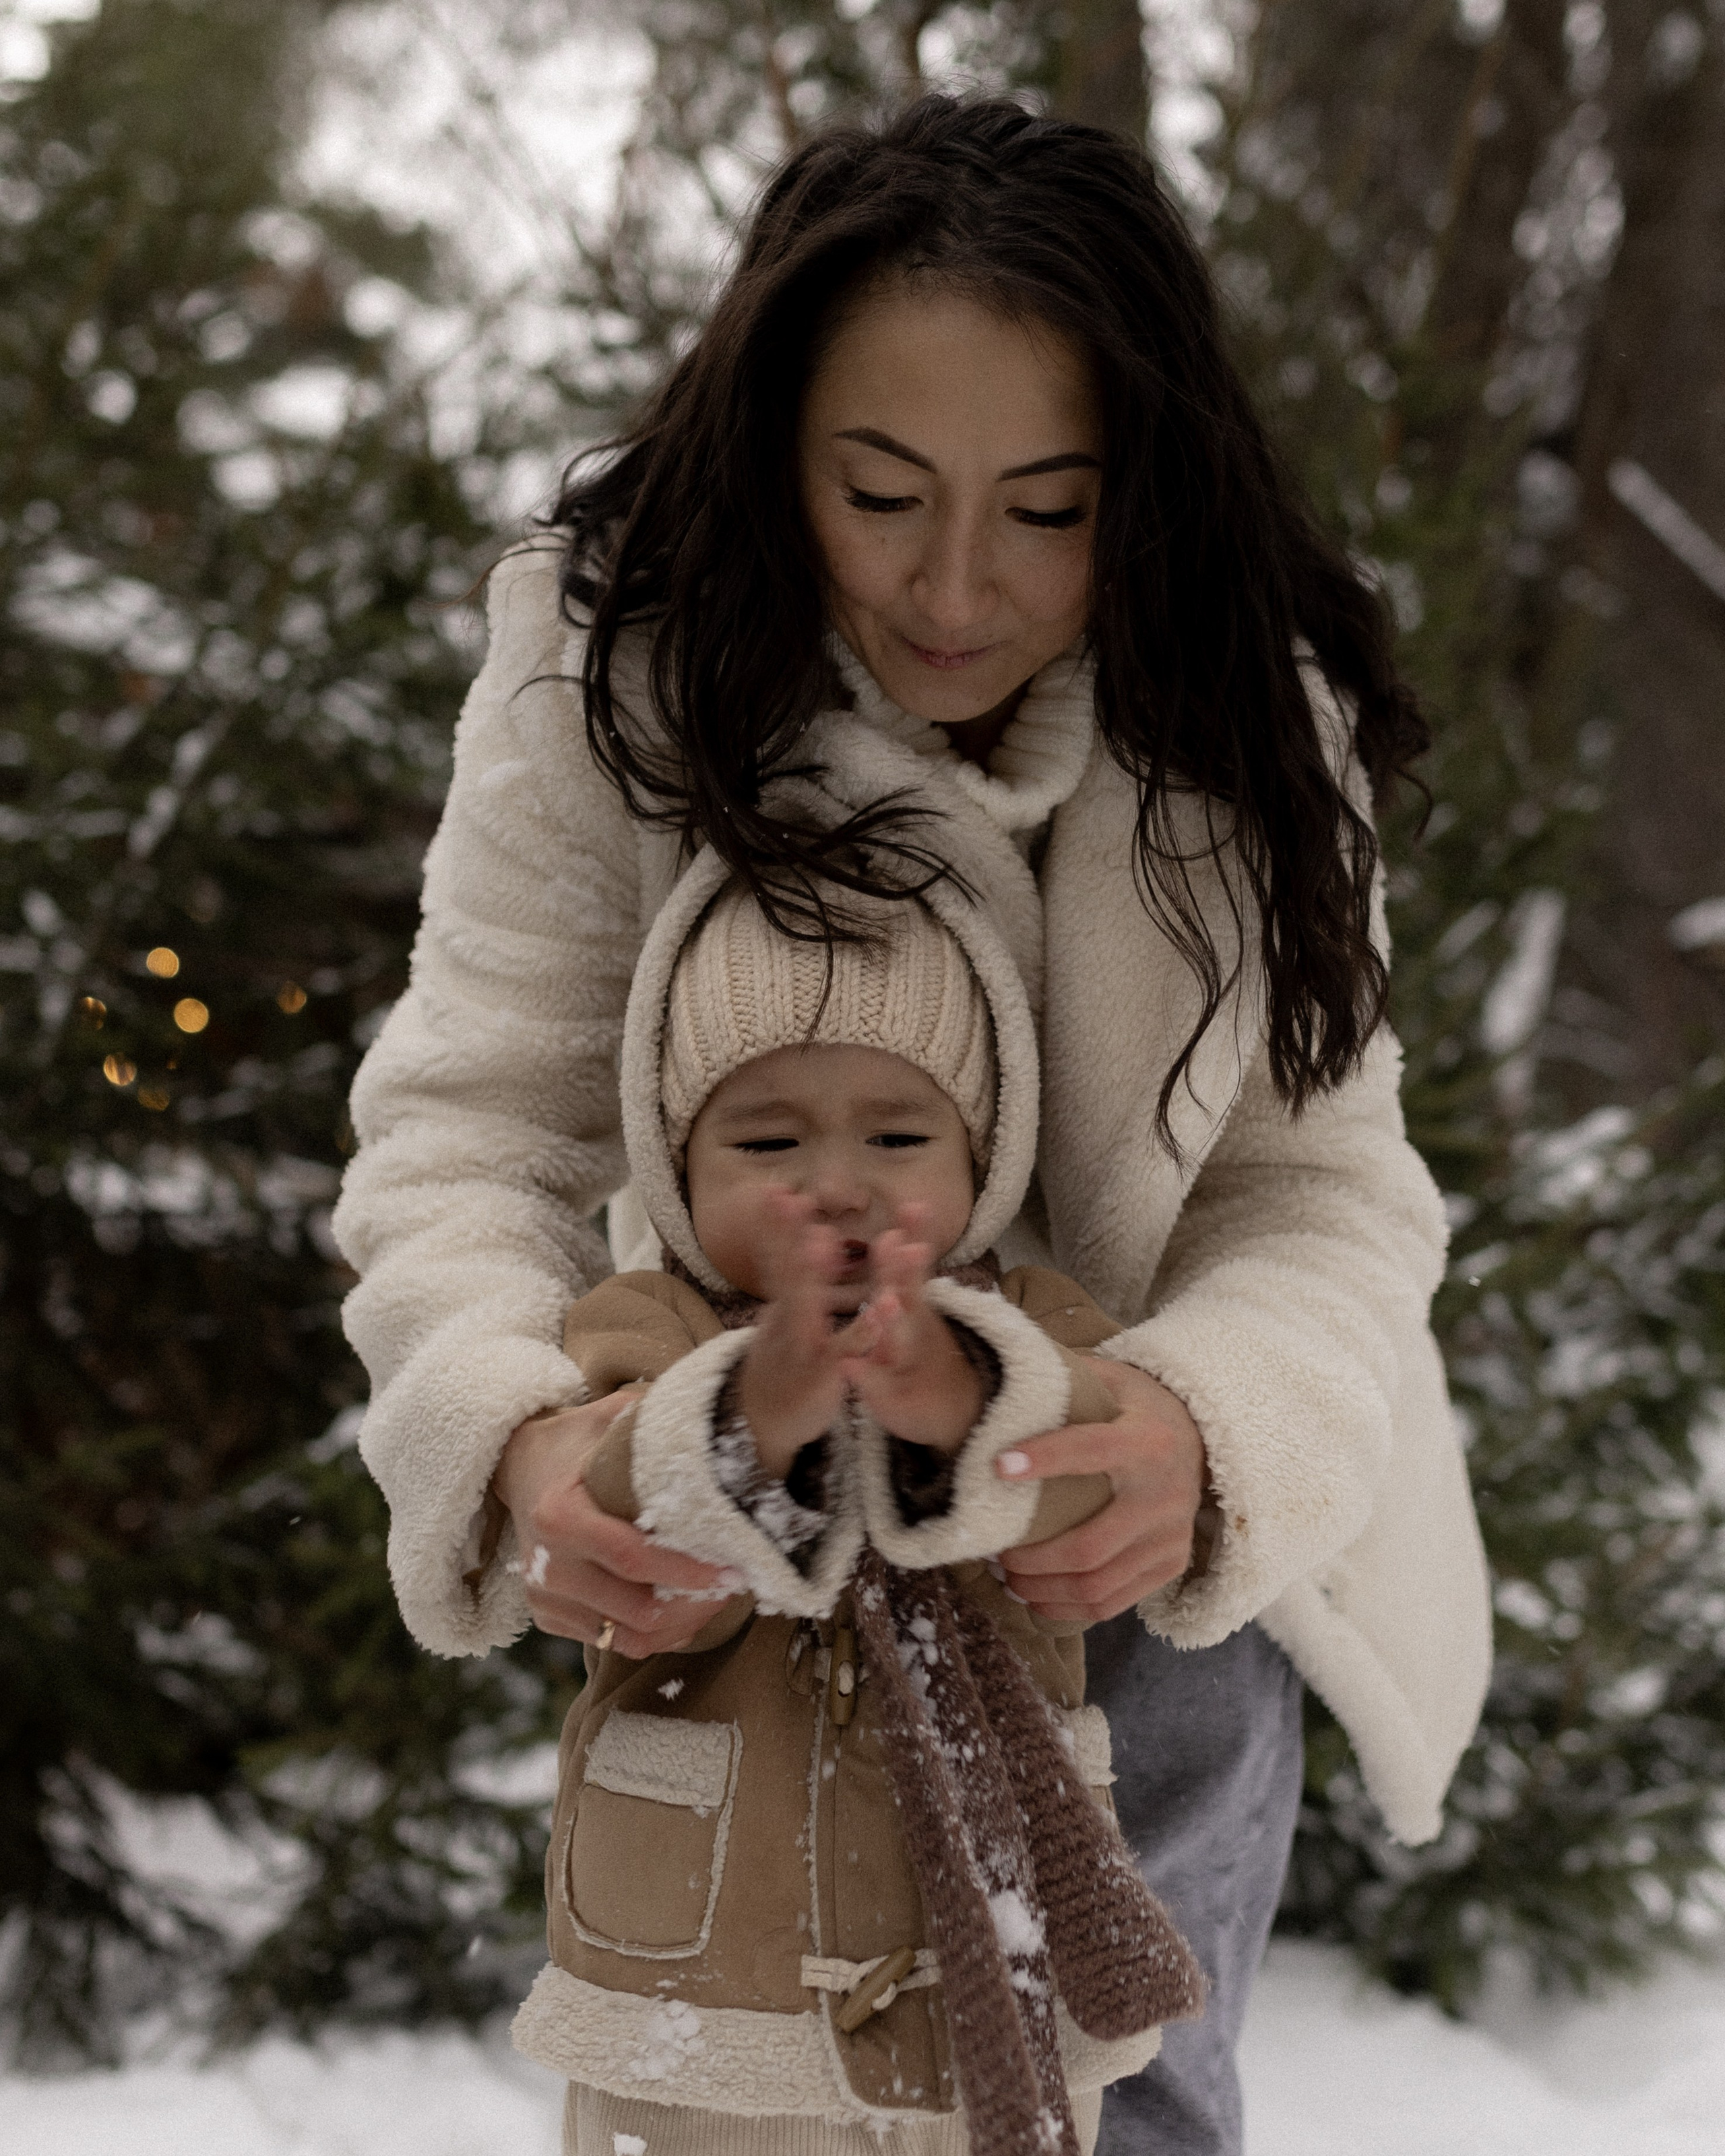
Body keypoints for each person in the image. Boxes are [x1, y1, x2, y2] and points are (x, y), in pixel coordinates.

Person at [332, 94, 1492, 2156]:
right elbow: (470, 1129)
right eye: (882, 492)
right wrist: (507, 1431)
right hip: (748, 1545)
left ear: (1147, 493)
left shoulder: (1251, 715)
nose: (960, 586)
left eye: (1051, 510)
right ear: (777, 447)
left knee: (1121, 2117)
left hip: (1129, 1564)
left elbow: (1321, 1188)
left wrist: (1210, 1433)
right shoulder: (620, 667)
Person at [514, 874, 1205, 2156]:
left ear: (981, 1161)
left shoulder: (1039, 1335)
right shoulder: (639, 1329)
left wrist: (956, 1399)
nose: (837, 1186)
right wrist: (756, 1402)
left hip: (989, 1971)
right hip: (710, 1976)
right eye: (767, 1145)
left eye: (898, 1141)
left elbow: (1095, 1476)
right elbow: (617, 1506)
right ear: (675, 1166)